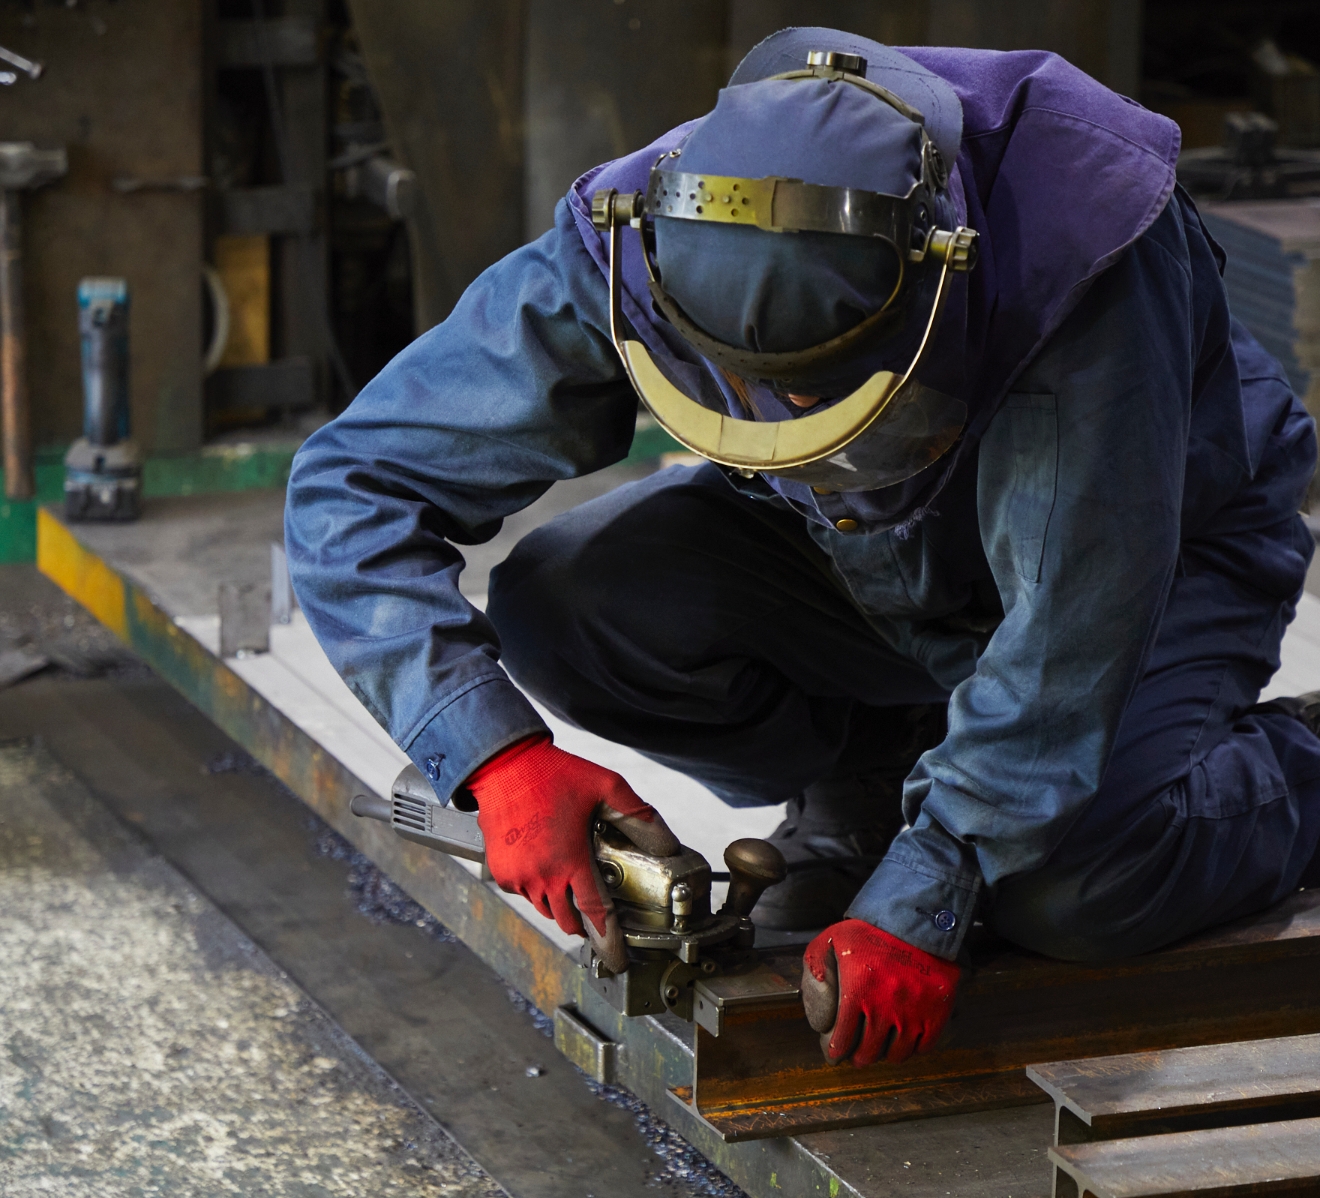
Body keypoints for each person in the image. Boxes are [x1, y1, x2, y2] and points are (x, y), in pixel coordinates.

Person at [285, 28, 1320, 1069]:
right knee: (566, 607)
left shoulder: (1080, 252)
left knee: (1072, 895)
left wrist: (939, 885)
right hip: (867, 560)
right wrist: (497, 759)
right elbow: (352, 487)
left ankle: (1298, 773)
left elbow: (1069, 632)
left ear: (933, 286)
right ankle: (874, 786)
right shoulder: (637, 235)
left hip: (1158, 567)